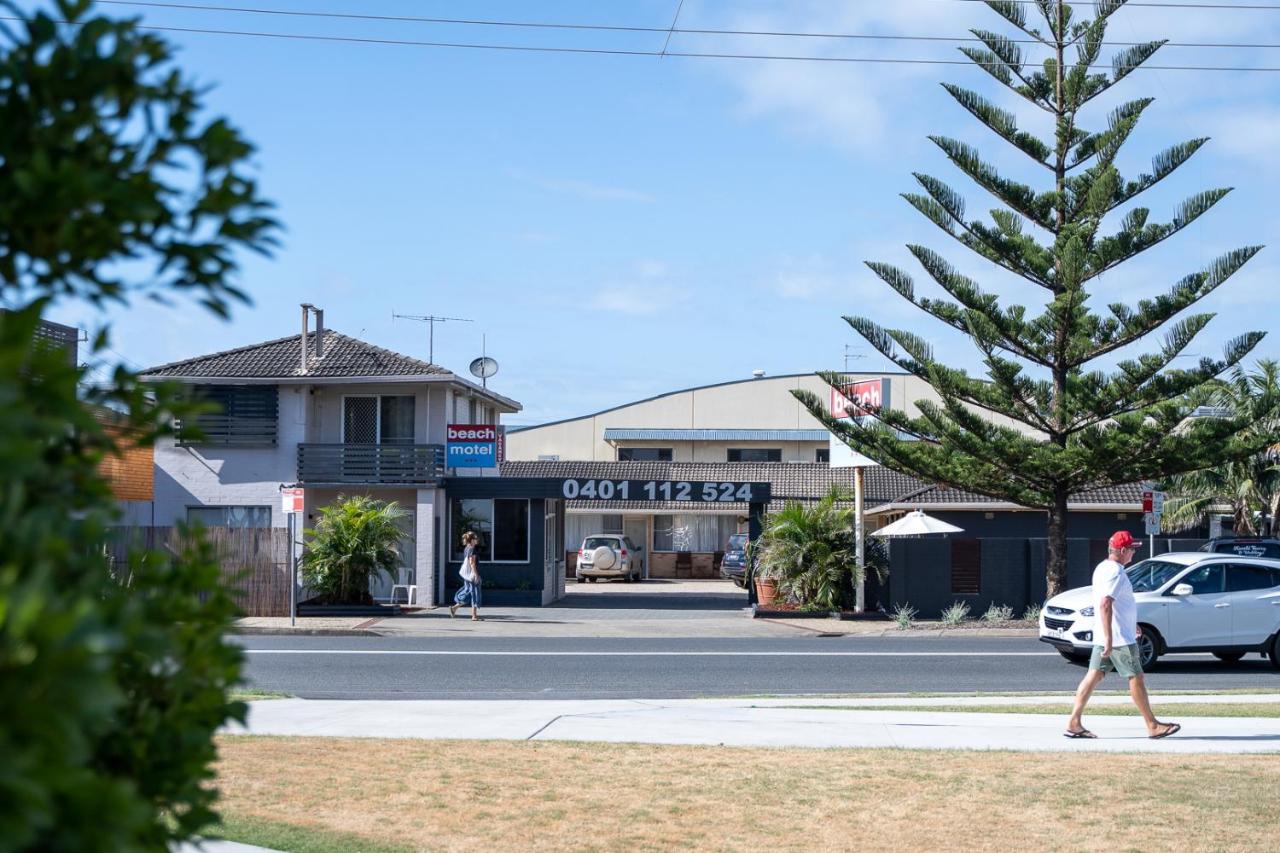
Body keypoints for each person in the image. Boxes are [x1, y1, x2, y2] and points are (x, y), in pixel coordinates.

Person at [1065, 530, 1180, 740]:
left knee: (1094, 676)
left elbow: (1115, 604)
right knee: (1136, 677)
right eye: (1132, 550)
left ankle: (1074, 721)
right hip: (1118, 639)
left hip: (1109, 634)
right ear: (1123, 550)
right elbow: (1105, 603)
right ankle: (1152, 725)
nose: (1134, 553)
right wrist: (1110, 638)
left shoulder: (1102, 568)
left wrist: (1130, 623)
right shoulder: (1116, 573)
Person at [450, 531, 483, 621]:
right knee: (474, 594)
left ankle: (454, 608)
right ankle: (474, 615)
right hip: (472, 575)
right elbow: (472, 563)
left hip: (467, 575)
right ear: (472, 540)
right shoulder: (472, 549)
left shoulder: (466, 548)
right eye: (476, 538)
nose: (477, 540)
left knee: (468, 592)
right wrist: (476, 575)